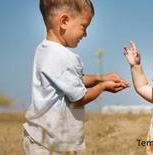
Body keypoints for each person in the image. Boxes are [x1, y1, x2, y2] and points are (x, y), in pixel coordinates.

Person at [23, 0, 129, 154]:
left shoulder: (44, 49)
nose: (85, 34)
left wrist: (101, 78)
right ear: (64, 21)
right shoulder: (64, 57)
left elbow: (72, 81)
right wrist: (103, 87)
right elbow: (79, 97)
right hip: (52, 143)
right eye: (84, 27)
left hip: (37, 138)